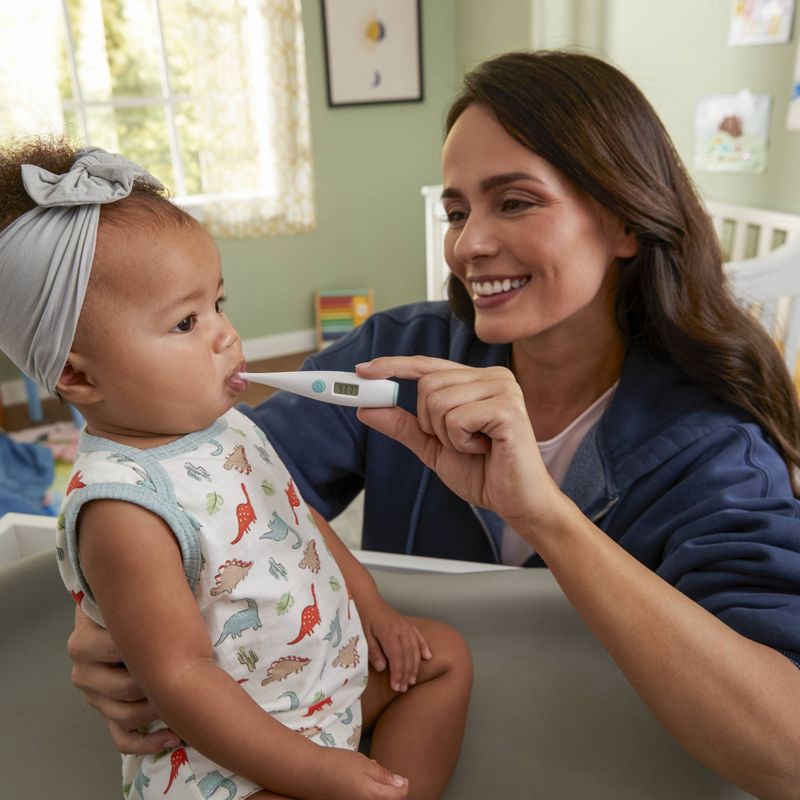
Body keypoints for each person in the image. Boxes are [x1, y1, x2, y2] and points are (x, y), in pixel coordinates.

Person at [67, 50, 800, 796]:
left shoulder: (717, 449)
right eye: (457, 211)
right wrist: (111, 629)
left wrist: (545, 516)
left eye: (513, 202)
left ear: (622, 220)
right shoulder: (396, 360)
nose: (467, 245)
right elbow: (205, 501)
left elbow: (787, 751)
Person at [0, 141, 472, 800]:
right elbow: (184, 679)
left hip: (318, 693)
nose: (226, 334)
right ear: (77, 374)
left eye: (219, 303)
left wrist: (375, 609)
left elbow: (296, 518)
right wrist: (316, 772)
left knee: (441, 654)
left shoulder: (231, 426)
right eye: (186, 322)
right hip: (228, 761)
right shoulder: (123, 509)